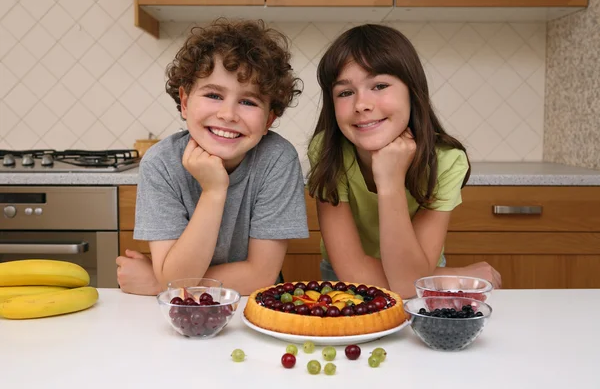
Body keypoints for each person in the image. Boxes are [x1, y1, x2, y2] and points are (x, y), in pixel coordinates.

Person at [306, 24, 501, 298]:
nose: (361, 104)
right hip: (345, 282)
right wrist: (444, 278)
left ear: (412, 90)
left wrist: (390, 181)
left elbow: (408, 284)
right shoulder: (328, 151)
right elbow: (355, 272)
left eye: (380, 85)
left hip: (416, 284)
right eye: (345, 92)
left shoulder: (445, 161)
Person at [116, 19, 308, 296]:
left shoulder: (277, 159)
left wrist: (158, 284)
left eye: (248, 101)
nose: (228, 114)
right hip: (182, 311)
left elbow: (261, 275)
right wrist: (214, 191)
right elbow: (178, 281)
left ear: (269, 119)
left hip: (251, 304)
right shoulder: (161, 163)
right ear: (184, 101)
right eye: (214, 95)